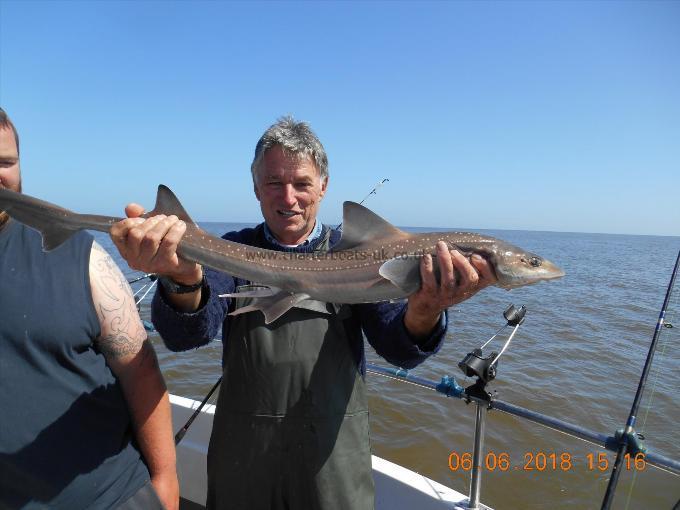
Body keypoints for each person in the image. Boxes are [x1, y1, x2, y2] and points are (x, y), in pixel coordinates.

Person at [110, 116, 496, 510]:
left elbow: (398, 348)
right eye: (274, 183)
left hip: (332, 458)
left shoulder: (356, 258)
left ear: (323, 187)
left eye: (302, 184)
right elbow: (186, 335)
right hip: (243, 454)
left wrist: (425, 309)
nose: (288, 197)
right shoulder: (230, 251)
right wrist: (183, 279)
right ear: (256, 188)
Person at [0, 107, 179, 510]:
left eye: (5, 162)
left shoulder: (80, 256)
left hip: (112, 499)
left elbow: (143, 375)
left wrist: (166, 481)